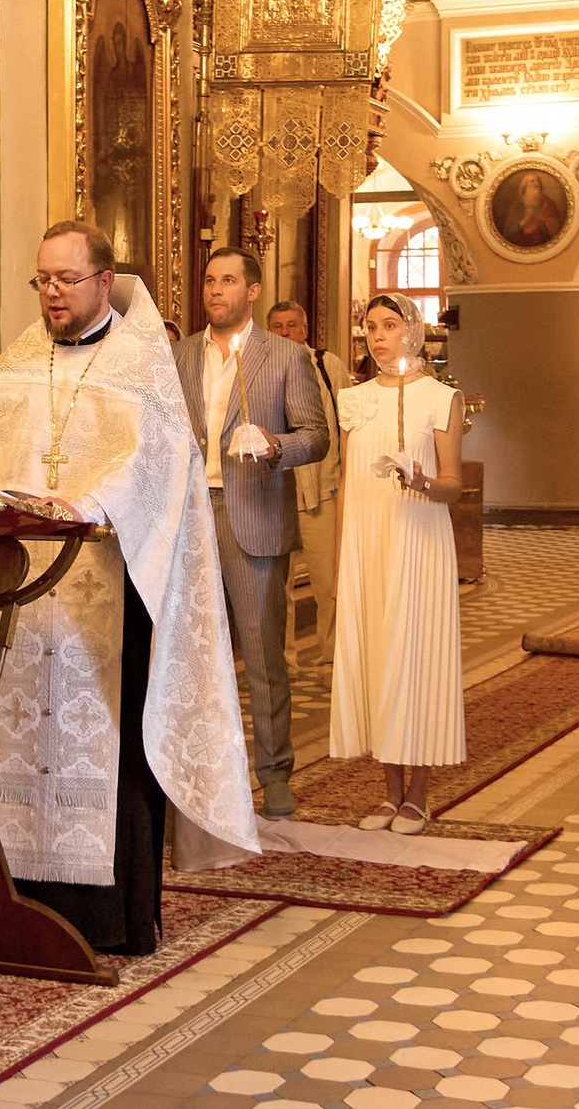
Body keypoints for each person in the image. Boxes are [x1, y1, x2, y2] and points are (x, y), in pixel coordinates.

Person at [0, 221, 259, 955]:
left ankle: (111, 921)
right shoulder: (19, 360)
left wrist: (87, 504)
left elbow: (154, 462)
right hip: (18, 591)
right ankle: (9, 904)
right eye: (42, 280)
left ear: (105, 281)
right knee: (11, 742)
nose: (51, 293)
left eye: (66, 280)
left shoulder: (142, 364)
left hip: (106, 587)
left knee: (106, 745)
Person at [175, 249, 331, 820]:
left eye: (228, 281)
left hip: (254, 517)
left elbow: (317, 435)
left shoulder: (286, 356)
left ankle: (275, 774)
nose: (216, 290)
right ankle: (194, 777)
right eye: (209, 280)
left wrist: (276, 445)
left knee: (264, 657)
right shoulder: (180, 355)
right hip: (188, 520)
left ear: (253, 291)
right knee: (188, 655)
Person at [330, 292, 467, 835]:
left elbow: (454, 486)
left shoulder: (441, 397)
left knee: (415, 658)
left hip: (419, 541)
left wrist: (422, 481)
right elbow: (346, 485)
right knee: (375, 657)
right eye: (371, 327)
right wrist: (340, 560)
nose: (379, 336)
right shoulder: (355, 399)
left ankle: (418, 795)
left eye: (390, 325)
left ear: (412, 330)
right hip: (366, 544)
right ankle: (388, 793)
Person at [266, 300, 350, 681]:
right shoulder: (259, 368)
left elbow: (347, 426)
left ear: (304, 329)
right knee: (275, 589)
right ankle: (283, 663)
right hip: (276, 495)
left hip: (324, 491)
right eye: (277, 326)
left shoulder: (327, 366)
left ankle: (331, 658)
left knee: (329, 583)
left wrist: (347, 479)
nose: (284, 332)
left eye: (291, 325)